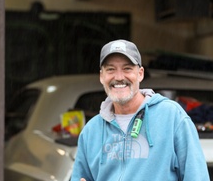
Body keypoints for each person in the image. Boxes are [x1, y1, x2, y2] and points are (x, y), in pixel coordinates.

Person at [71, 39, 210, 181]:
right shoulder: (91, 131)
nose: (119, 77)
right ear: (102, 76)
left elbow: (197, 177)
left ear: (140, 73)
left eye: (127, 68)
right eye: (111, 69)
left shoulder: (172, 117)